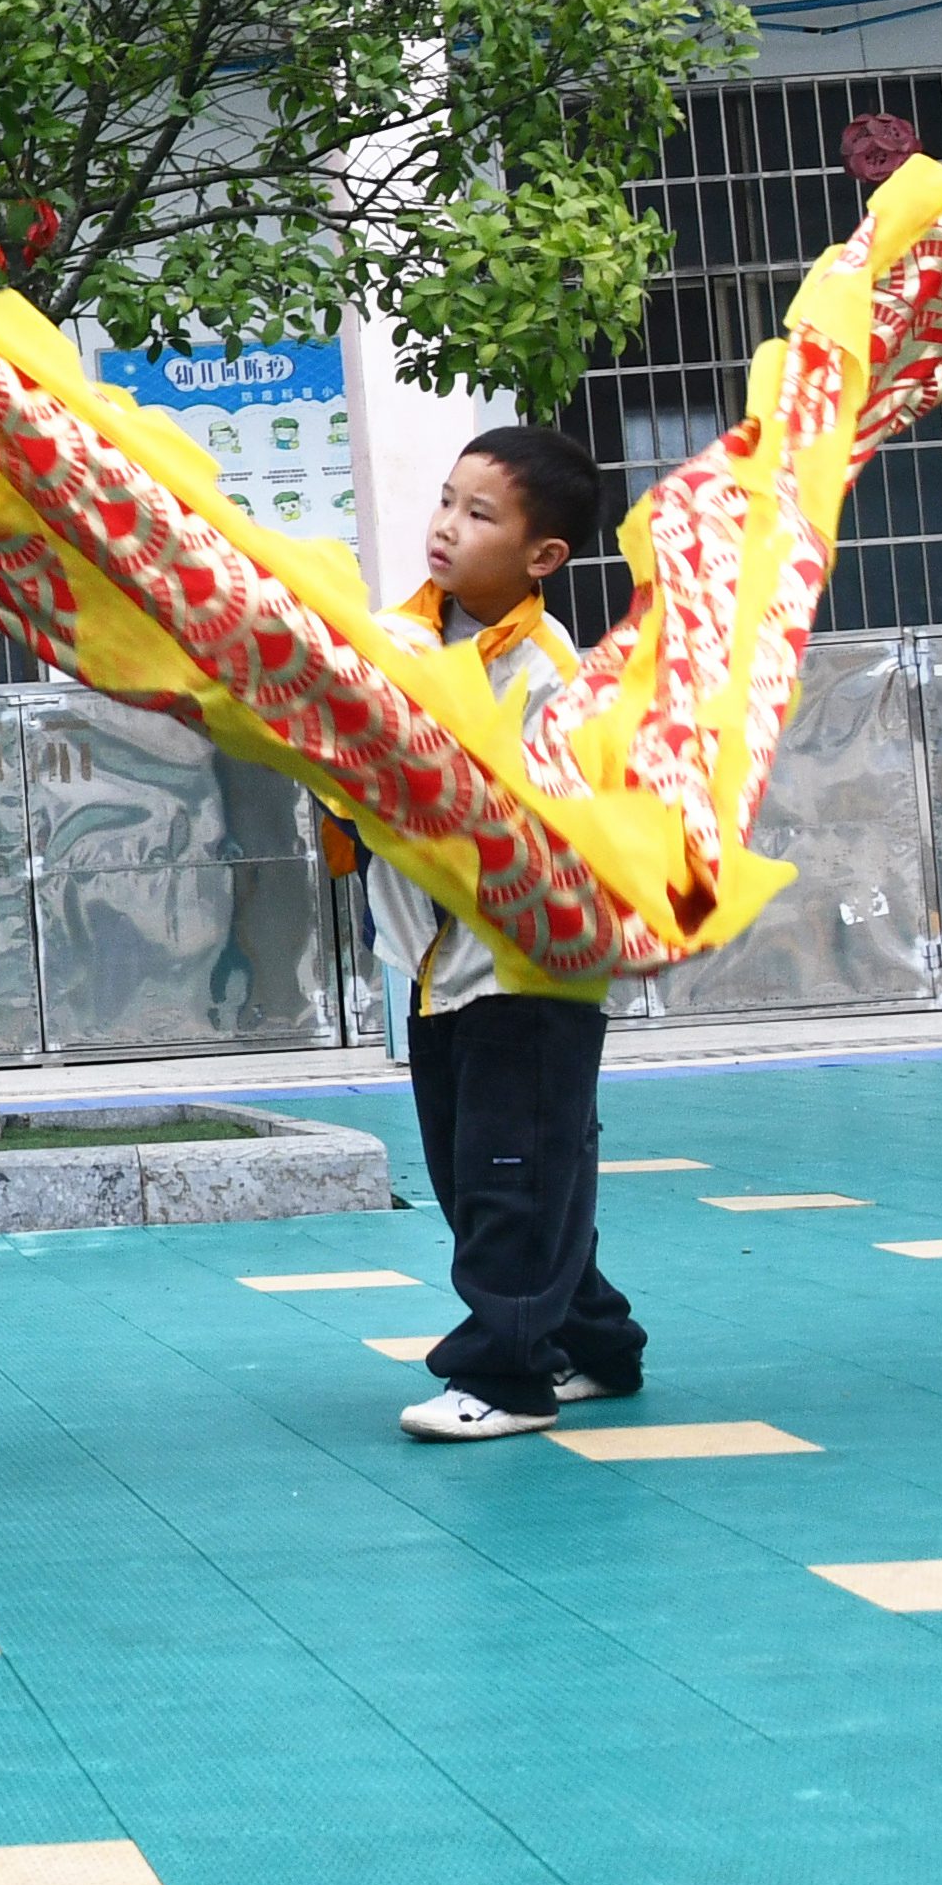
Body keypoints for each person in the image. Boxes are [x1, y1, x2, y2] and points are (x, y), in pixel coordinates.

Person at [372, 426, 651, 1445]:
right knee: (474, 1169)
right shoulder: (401, 635)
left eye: (479, 513)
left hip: (531, 967)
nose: (447, 526)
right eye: (446, 500)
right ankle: (594, 1340)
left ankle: (508, 1371)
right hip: (441, 967)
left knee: (511, 1175)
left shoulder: (547, 673)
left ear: (544, 557)